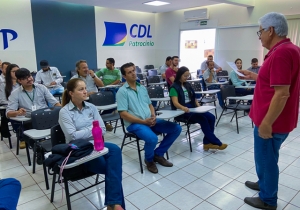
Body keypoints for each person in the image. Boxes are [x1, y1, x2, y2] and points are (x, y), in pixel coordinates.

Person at [238, 12, 300, 210]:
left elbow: (282, 94)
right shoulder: (289, 49)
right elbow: (274, 82)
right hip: (277, 120)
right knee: (265, 158)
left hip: (272, 122)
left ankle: (268, 199)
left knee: (267, 159)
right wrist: (254, 76)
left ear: (270, 30)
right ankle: (264, 183)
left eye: (260, 32)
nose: (260, 36)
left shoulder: (282, 53)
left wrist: (266, 123)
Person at [59, 78, 125, 210]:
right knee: (112, 169)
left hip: (97, 144)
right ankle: (115, 204)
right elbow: (73, 136)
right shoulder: (64, 112)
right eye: (81, 89)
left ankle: (114, 204)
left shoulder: (91, 107)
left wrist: (91, 131)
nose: (85, 92)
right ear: (71, 93)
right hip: (81, 150)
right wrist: (93, 129)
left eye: (85, 88)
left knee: (115, 150)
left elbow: (104, 129)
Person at [116, 62, 182, 174]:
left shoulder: (142, 88)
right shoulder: (122, 92)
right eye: (129, 72)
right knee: (152, 139)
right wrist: (143, 121)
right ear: (124, 76)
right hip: (135, 124)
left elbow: (150, 104)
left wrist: (153, 116)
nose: (133, 74)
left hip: (149, 120)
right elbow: (123, 114)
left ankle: (158, 154)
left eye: (133, 71)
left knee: (176, 128)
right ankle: (149, 160)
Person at [170, 66, 227, 151]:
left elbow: (193, 98)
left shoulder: (187, 85)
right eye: (185, 76)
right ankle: (216, 142)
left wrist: (198, 106)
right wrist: (183, 108)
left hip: (192, 107)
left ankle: (207, 143)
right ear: (180, 75)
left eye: (188, 75)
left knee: (211, 117)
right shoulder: (174, 87)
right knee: (203, 119)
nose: (187, 77)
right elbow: (175, 103)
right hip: (182, 111)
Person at [6, 68, 61, 149]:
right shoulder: (15, 93)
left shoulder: (41, 87)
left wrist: (62, 110)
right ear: (19, 81)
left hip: (46, 116)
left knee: (59, 131)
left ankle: (54, 148)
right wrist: (17, 112)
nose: (29, 79)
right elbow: (8, 113)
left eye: (30, 76)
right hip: (30, 119)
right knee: (32, 138)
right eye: (25, 78)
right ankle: (39, 149)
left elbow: (54, 102)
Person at [95, 58, 121, 131]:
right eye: (106, 63)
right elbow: (96, 75)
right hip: (104, 90)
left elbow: (118, 80)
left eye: (108, 63)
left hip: (113, 89)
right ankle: (104, 121)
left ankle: (102, 118)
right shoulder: (104, 70)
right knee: (109, 105)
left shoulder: (117, 71)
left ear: (112, 64)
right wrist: (101, 83)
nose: (106, 65)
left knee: (114, 105)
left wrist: (109, 85)